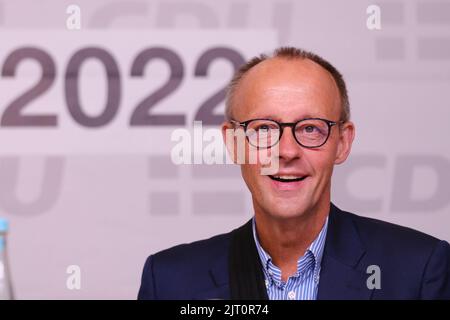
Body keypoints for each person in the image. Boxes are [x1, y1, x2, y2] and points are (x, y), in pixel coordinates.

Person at [138, 47, 450, 300]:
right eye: (263, 129)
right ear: (233, 143)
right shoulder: (169, 282)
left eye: (311, 128)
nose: (287, 151)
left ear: (342, 143)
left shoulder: (419, 270)